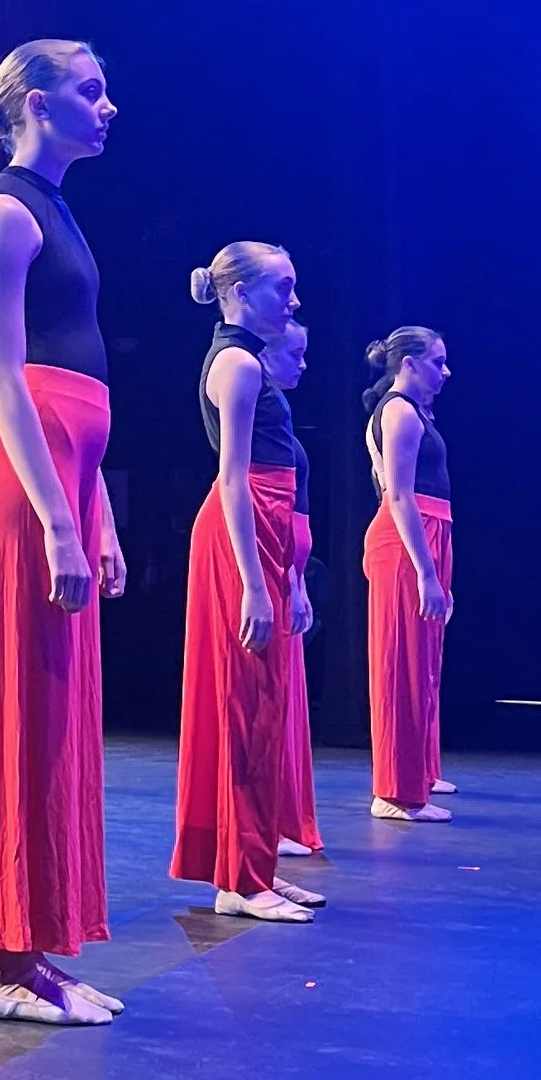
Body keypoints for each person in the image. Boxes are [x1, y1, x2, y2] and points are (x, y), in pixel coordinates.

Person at [0, 40, 127, 1024]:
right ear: (34, 101)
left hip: (64, 476)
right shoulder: (4, 211)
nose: (109, 106)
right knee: (25, 712)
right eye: (90, 89)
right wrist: (60, 518)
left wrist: (92, 508)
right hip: (23, 477)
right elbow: (1, 376)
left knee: (57, 716)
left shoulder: (58, 208)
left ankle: (33, 949)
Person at [171, 243, 323, 922]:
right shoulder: (235, 363)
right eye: (282, 287)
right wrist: (256, 583)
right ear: (239, 291)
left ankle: (254, 863)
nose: (293, 301)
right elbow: (232, 476)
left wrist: (287, 576)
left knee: (265, 709)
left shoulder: (253, 363)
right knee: (244, 706)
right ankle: (239, 877)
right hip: (243, 531)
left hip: (264, 530)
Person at [364, 326, 456, 822]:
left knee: (423, 661)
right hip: (407, 538)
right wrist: (425, 571)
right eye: (437, 361)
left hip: (428, 532)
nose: (445, 371)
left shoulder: (415, 412)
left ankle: (417, 770)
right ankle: (394, 791)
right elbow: (397, 494)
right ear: (409, 364)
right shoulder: (398, 411)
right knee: (400, 663)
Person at [265, 319, 323, 859]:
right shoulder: (243, 380)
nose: (303, 364)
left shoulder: (280, 412)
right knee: (268, 699)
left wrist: (298, 578)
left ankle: (281, 817)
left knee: (285, 698)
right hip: (270, 557)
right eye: (296, 353)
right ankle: (267, 824)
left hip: (287, 566)